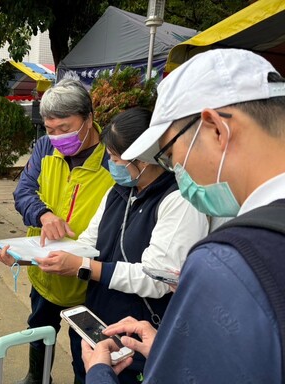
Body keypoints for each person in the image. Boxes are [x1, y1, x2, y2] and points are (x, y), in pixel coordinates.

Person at [83, 48, 285, 383]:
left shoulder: (226, 261)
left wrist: (100, 374)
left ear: (216, 129)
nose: (177, 171)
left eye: (172, 156)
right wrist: (169, 347)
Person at [0, 108, 209, 383]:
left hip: (140, 338)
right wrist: (29, 257)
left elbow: (158, 278)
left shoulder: (178, 200)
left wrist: (85, 268)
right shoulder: (119, 192)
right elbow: (88, 242)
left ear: (144, 157)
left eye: (115, 158)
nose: (111, 165)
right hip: (98, 324)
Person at [9, 79, 114, 383]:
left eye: (65, 128)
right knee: (40, 329)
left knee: (88, 345)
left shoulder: (113, 160)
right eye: (50, 129)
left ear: (89, 118)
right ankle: (37, 376)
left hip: (89, 277)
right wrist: (43, 214)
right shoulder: (44, 148)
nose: (57, 137)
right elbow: (24, 192)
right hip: (45, 268)